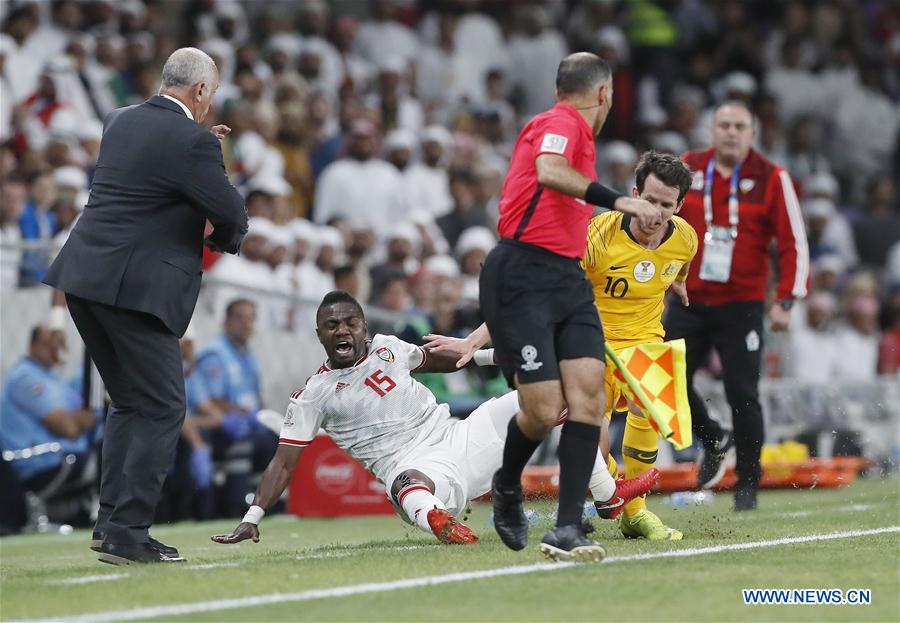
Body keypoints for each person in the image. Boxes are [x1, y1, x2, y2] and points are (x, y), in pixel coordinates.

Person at [211, 291, 658, 550]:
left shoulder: (388, 347)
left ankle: (606, 496)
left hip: (460, 436)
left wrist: (490, 354)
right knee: (407, 485)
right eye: (332, 326)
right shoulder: (313, 394)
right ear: (319, 335)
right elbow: (283, 462)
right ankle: (442, 524)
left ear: (364, 326)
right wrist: (253, 515)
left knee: (554, 394)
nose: (342, 330)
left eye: (350, 322)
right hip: (416, 469)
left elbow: (441, 360)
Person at [43, 48, 248, 564]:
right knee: (163, 406)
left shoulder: (119, 121)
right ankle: (128, 533)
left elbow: (150, 178)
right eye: (211, 94)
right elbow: (229, 212)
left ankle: (111, 523)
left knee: (130, 403)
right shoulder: (193, 141)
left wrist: (200, 150)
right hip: (137, 291)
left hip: (84, 279)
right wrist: (217, 214)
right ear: (200, 91)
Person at [449, 53, 656, 560]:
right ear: (604, 94)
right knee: (541, 412)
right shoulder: (561, 123)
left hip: (568, 278)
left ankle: (567, 530)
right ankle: (507, 484)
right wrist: (620, 200)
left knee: (587, 400)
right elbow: (548, 170)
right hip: (522, 273)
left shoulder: (569, 130)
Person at [666, 100, 809, 510]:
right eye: (724, 125)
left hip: (741, 304)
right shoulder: (688, 168)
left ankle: (747, 483)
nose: (731, 132)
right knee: (665, 379)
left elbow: (793, 241)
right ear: (712, 131)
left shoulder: (772, 177)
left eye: (739, 126)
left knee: (742, 392)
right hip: (689, 298)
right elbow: (659, 218)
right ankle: (713, 437)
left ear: (752, 133)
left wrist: (786, 299)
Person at [581, 151, 696, 540]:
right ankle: (613, 489)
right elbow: (559, 282)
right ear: (633, 195)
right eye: (649, 201)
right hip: (593, 342)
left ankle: (636, 512)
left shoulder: (685, 238)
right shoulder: (598, 236)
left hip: (646, 339)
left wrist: (679, 282)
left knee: (648, 408)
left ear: (679, 206)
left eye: (667, 205)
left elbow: (681, 262)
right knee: (593, 439)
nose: (655, 213)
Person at [0, 325, 97, 531]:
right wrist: (75, 420)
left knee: (110, 452)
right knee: (107, 459)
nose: (53, 349)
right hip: (37, 461)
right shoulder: (25, 377)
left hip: (61, 455)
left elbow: (85, 419)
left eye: (58, 345)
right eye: (47, 345)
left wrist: (76, 420)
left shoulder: (54, 379)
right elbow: (69, 428)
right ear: (32, 346)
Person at [195, 298, 278, 516]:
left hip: (248, 422)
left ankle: (265, 501)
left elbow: (255, 396)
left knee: (274, 439)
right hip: (221, 424)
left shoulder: (248, 355)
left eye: (250, 319)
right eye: (239, 318)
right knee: (250, 441)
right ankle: (236, 503)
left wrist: (261, 416)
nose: (245, 324)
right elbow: (210, 399)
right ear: (226, 321)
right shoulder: (215, 353)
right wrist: (241, 414)